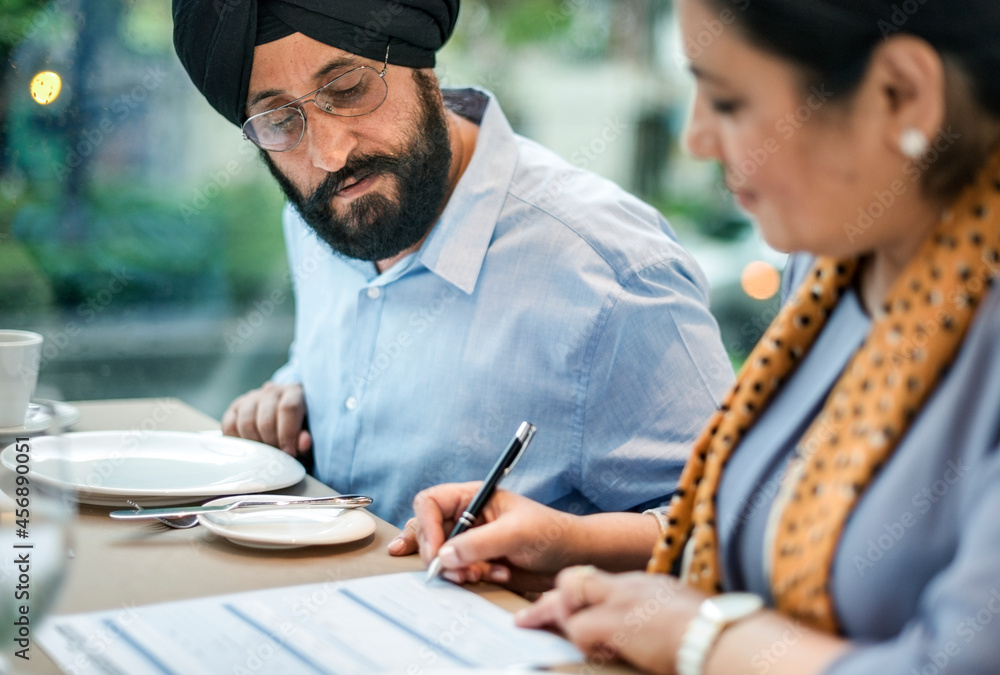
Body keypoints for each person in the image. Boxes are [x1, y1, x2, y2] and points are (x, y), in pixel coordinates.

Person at [394, 0, 1000, 673]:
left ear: (901, 94)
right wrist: (573, 541)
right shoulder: (832, 266)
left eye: (727, 100)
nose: (696, 139)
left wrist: (705, 639)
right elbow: (757, 542)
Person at [171, 0, 734, 527]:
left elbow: (734, 528)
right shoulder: (324, 215)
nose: (329, 155)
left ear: (422, 67)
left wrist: (562, 548)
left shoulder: (611, 271)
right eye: (279, 122)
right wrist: (291, 395)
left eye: (346, 89)